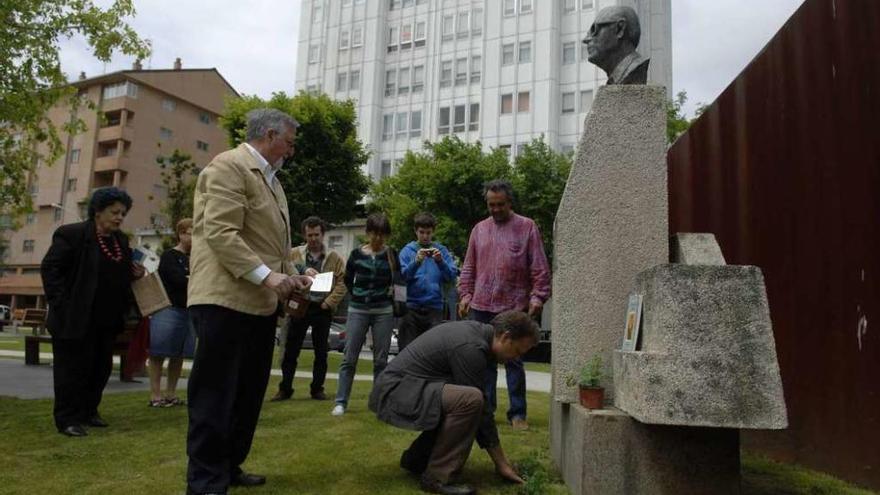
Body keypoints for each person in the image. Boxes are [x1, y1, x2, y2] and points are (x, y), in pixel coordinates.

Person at [185, 108, 313, 494]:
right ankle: (206, 481)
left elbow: (274, 246)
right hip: (225, 299)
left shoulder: (272, 182)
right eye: (289, 143)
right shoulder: (228, 167)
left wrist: (292, 274)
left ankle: (229, 465)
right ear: (271, 134)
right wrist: (271, 277)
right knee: (215, 393)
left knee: (247, 393)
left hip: (259, 302)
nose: (291, 151)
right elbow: (221, 233)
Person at [369, 311, 538, 495]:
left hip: (406, 387)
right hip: (396, 391)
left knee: (460, 400)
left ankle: (417, 460)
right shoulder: (470, 347)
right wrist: (502, 464)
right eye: (518, 351)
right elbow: (482, 414)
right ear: (506, 337)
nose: (516, 358)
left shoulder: (478, 337)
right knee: (470, 401)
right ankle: (437, 478)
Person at [41, 187, 146, 437]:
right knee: (71, 370)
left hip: (106, 318)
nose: (120, 217)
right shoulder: (72, 234)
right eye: (114, 212)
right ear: (98, 212)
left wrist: (135, 273)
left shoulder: (120, 241)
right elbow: (51, 270)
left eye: (123, 213)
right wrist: (62, 305)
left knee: (100, 368)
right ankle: (67, 418)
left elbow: (119, 274)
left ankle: (89, 411)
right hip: (74, 317)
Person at [458, 180, 551, 431]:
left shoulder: (527, 227)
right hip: (481, 304)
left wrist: (537, 298)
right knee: (483, 362)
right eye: (491, 205)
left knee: (514, 362)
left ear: (510, 202)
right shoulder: (479, 229)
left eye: (500, 204)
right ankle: (485, 411)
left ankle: (518, 414)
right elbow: (469, 266)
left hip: (513, 305)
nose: (495, 209)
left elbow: (540, 268)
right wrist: (465, 295)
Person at [271, 216, 346, 402]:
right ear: (305, 235)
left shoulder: (334, 257)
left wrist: (329, 302)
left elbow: (343, 282)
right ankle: (285, 388)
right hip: (299, 305)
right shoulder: (294, 253)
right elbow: (285, 270)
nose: (313, 238)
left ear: (323, 234)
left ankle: (317, 389)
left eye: (317, 234)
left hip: (321, 307)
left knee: (321, 351)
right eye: (310, 235)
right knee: (291, 350)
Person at [332, 213, 397, 416]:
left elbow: (399, 280)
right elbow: (348, 279)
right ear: (368, 233)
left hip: (383, 310)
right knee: (349, 357)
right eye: (374, 233)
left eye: (382, 234)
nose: (378, 238)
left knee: (380, 359)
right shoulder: (356, 255)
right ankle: (341, 401)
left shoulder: (391, 254)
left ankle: (378, 402)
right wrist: (359, 297)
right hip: (358, 309)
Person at [147, 218, 195, 407]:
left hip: (188, 311)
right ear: (181, 233)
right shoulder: (169, 256)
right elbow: (177, 280)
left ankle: (171, 393)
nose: (194, 238)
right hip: (168, 310)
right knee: (158, 353)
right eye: (191, 233)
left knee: (178, 355)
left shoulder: (195, 259)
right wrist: (191, 279)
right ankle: (155, 394)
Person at [397, 212, 458, 351]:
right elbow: (401, 277)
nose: (425, 236)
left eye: (428, 233)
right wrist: (416, 262)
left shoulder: (441, 251)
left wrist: (441, 262)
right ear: (415, 231)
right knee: (407, 351)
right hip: (410, 308)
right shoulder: (407, 251)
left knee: (432, 351)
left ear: (433, 232)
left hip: (434, 308)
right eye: (421, 232)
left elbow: (451, 277)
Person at [582, 5, 650, 85]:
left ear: (619, 29)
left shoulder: (634, 70)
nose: (585, 40)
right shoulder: (614, 83)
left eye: (594, 29)